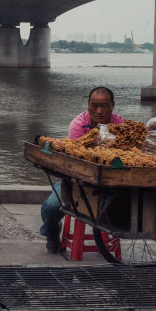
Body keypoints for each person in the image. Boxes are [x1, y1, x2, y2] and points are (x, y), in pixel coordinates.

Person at [40, 86, 124, 253]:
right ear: (88, 105)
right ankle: (51, 232)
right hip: (75, 180)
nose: (99, 111)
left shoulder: (121, 125)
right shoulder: (78, 124)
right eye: (94, 106)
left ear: (113, 105)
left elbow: (124, 157)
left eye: (104, 106)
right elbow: (77, 160)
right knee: (50, 207)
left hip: (109, 181)